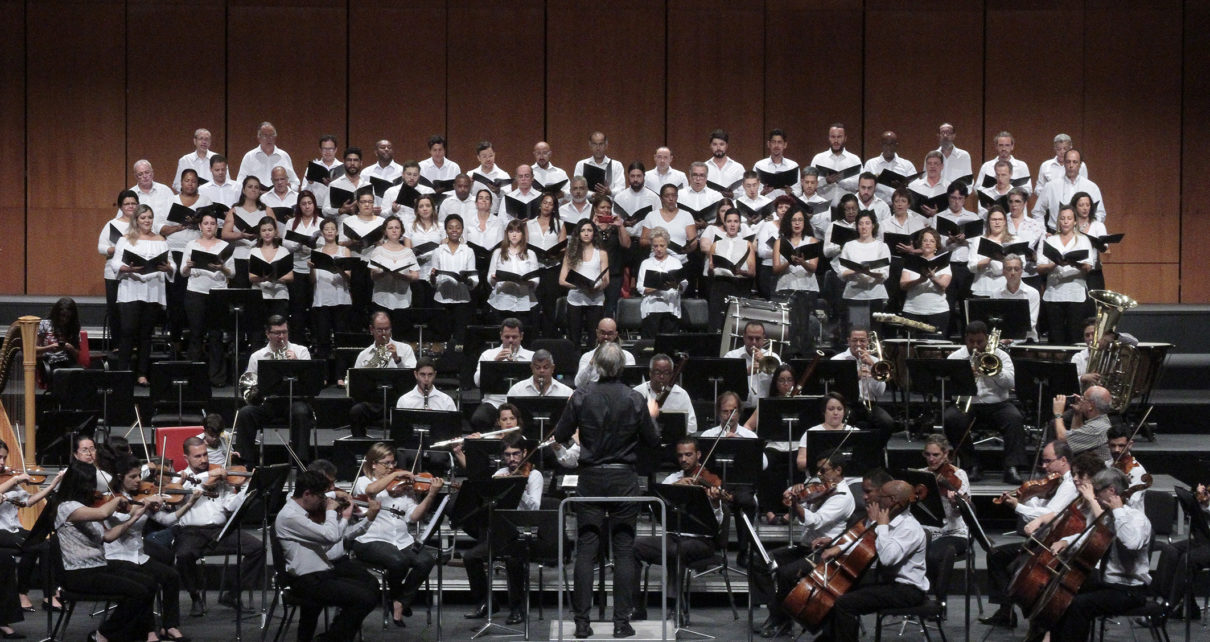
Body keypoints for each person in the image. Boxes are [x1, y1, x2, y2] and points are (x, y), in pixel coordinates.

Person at [553, 342, 660, 638]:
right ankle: (621, 623)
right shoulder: (636, 398)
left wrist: (580, 437)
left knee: (587, 549)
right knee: (624, 549)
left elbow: (560, 435)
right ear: (622, 367)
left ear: (596, 366)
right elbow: (652, 441)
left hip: (590, 477)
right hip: (624, 478)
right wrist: (650, 415)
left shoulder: (581, 395)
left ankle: (582, 623)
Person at [752, 452, 855, 638]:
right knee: (761, 561)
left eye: (824, 471)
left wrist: (796, 505)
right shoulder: (822, 490)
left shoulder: (842, 497)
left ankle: (784, 621)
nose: (820, 476)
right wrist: (795, 495)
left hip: (825, 553)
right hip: (805, 547)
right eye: (818, 471)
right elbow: (798, 510)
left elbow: (814, 521)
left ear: (838, 470)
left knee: (786, 573)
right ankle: (775, 613)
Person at [53, 460, 158, 642]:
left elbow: (108, 536)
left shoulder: (87, 506)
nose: (95, 489)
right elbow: (103, 513)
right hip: (78, 574)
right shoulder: (66, 507)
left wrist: (135, 517)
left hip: (99, 567)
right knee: (138, 592)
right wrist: (117, 499)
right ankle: (104, 634)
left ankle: (136, 635)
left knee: (149, 583)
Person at [1041, 468, 1151, 642]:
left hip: (1128, 589)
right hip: (1107, 584)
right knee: (1061, 594)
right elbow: (1090, 535)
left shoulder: (1136, 518)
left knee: (1079, 605)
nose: (1096, 497)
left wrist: (1118, 511)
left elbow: (1131, 543)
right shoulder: (1110, 516)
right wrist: (1066, 541)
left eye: (1097, 492)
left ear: (1111, 491)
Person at [813, 480, 929, 642]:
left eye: (882, 496)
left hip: (907, 590)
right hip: (888, 583)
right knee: (837, 592)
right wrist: (839, 548)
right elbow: (868, 543)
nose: (877, 499)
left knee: (845, 604)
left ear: (893, 500)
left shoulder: (909, 528)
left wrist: (881, 526)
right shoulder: (889, 520)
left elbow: (888, 558)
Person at [980, 440, 1079, 627]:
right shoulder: (1053, 482)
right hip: (1040, 540)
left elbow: (1048, 516)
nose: (1044, 466)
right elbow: (1035, 518)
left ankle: (1038, 618)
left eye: (1048, 461)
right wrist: (1028, 496)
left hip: (1053, 545)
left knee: (1014, 567)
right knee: (996, 555)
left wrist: (1019, 506)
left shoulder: (1069, 486)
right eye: (1043, 461)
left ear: (1064, 460)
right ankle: (1005, 612)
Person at [273, 470, 378, 641]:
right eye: (320, 496)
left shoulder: (301, 511)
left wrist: (344, 517)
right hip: (306, 580)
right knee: (364, 599)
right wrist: (339, 515)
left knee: (369, 589)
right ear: (307, 494)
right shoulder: (290, 516)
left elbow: (325, 544)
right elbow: (329, 536)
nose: (324, 500)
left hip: (321, 573)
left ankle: (333, 635)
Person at [629, 437, 725, 621]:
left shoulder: (710, 481)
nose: (684, 459)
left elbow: (718, 523)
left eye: (688, 455)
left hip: (702, 541)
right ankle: (636, 606)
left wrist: (715, 502)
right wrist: (675, 488)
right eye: (680, 455)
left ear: (698, 455)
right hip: (674, 537)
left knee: (677, 551)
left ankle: (675, 606)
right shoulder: (672, 479)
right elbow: (660, 511)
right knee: (635, 547)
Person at [106, 455, 200, 642]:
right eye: (132, 477)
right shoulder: (112, 500)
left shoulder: (143, 496)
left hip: (139, 554)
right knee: (147, 581)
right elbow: (121, 522)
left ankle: (169, 626)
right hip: (117, 556)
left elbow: (166, 520)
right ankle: (148, 631)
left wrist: (189, 504)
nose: (138, 480)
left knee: (171, 576)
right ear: (120, 477)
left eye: (138, 476)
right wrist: (142, 507)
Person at [350, 443, 443, 626]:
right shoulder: (363, 482)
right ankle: (396, 598)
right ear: (374, 464)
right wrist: (394, 475)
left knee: (426, 560)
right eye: (387, 464)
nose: (392, 467)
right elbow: (371, 491)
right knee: (397, 561)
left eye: (393, 463)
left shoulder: (404, 489)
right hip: (370, 539)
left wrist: (431, 495)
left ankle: (400, 601)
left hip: (401, 540)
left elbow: (414, 516)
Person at [173, 437, 265, 617]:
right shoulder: (180, 480)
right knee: (183, 555)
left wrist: (245, 485)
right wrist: (200, 483)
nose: (204, 460)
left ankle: (233, 594)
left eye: (205, 454)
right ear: (187, 458)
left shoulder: (220, 475)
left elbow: (231, 506)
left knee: (258, 548)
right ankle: (195, 597)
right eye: (198, 456)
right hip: (192, 532)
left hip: (221, 531)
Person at [461, 432, 544, 624]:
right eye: (507, 455)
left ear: (524, 453)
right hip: (502, 532)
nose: (512, 459)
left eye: (516, 454)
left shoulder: (533, 475)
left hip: (525, 532)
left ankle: (517, 609)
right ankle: (486, 602)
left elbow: (534, 509)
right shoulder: (499, 474)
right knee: (470, 557)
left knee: (513, 560)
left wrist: (518, 487)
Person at [943, 321, 1027, 483]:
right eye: (971, 341)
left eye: (980, 342)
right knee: (951, 418)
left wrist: (992, 371)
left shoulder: (1001, 356)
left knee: (1014, 418)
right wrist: (967, 376)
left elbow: (1010, 383)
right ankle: (971, 465)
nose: (975, 346)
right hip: (967, 402)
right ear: (965, 339)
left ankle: (1012, 467)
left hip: (998, 403)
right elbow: (950, 388)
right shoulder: (956, 357)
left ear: (987, 339)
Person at [233, 315, 316, 464]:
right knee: (246, 413)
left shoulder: (301, 351)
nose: (281, 337)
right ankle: (244, 464)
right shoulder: (257, 356)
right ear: (267, 334)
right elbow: (251, 384)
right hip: (269, 404)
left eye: (284, 332)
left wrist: (296, 364)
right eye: (277, 333)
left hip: (294, 402)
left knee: (301, 412)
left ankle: (300, 464)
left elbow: (310, 384)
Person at [110, 204, 175, 386]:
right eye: (143, 218)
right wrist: (127, 268)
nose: (147, 221)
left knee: (146, 334)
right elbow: (115, 263)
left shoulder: (161, 240)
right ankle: (123, 371)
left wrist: (168, 267)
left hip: (152, 290)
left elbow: (172, 264)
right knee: (128, 331)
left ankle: (142, 373)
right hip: (131, 289)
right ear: (136, 220)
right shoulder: (126, 239)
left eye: (149, 217)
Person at [0, 438, 59, 617]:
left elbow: (29, 502)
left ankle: (48, 595)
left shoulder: (9, 478)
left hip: (13, 528)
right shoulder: (11, 480)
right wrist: (16, 479)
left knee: (47, 544)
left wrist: (54, 484)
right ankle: (22, 593)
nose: (2, 463)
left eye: (4, 458)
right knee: (33, 546)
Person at [179, 210, 233, 386]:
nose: (209, 226)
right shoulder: (191, 244)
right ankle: (194, 379)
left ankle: (217, 378)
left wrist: (221, 267)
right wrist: (188, 266)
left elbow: (232, 273)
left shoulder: (224, 246)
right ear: (200, 226)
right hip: (195, 292)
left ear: (216, 226)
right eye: (206, 223)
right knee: (196, 335)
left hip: (217, 293)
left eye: (212, 223)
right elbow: (182, 272)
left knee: (216, 336)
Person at [348, 312, 419, 437]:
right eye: (380, 330)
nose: (384, 333)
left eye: (387, 329)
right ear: (371, 330)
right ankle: (361, 447)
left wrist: (397, 359)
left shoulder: (405, 349)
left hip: (399, 399)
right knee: (356, 411)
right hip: (374, 401)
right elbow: (356, 383)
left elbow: (413, 378)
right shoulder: (364, 355)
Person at [1037, 205, 1095, 344]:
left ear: (1075, 221)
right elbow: (1040, 267)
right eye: (1062, 218)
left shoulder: (1083, 240)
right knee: (1055, 336)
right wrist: (1056, 263)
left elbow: (1088, 267)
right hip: (1053, 295)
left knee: (1075, 335)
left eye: (1069, 218)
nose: (1065, 221)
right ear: (1058, 221)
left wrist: (1073, 263)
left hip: (1076, 294)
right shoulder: (1049, 240)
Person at [829, 329, 896, 445]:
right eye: (855, 340)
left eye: (862, 341)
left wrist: (872, 367)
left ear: (868, 342)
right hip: (845, 404)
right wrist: (855, 377)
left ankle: (873, 451)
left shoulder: (875, 361)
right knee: (841, 421)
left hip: (869, 404)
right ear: (848, 341)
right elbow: (834, 389)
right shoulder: (837, 360)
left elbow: (879, 393)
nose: (858, 344)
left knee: (887, 423)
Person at [771, 205, 821, 355]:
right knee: (789, 329)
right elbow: (775, 269)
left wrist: (802, 262)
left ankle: (804, 357)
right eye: (794, 220)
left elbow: (813, 268)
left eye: (800, 220)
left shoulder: (812, 241)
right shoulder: (780, 242)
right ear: (788, 222)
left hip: (807, 289)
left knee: (805, 328)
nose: (797, 223)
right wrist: (789, 261)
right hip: (786, 288)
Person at [919, 435, 971, 576]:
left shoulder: (958, 475)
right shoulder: (921, 475)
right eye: (927, 454)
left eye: (936, 455)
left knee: (933, 555)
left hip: (954, 532)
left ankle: (938, 595)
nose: (931, 459)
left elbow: (965, 512)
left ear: (946, 454)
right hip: (927, 531)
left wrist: (955, 504)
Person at [471, 318, 534, 428]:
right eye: (507, 337)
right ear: (501, 335)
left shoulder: (532, 356)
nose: (510, 340)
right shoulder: (488, 355)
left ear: (522, 336)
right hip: (494, 402)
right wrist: (494, 363)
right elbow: (477, 382)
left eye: (514, 337)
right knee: (479, 418)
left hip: (522, 402)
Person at [308, 218, 353, 363]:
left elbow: (348, 277)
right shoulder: (316, 252)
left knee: (341, 338)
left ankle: (341, 375)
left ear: (337, 232)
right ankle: (324, 375)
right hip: (322, 299)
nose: (329, 231)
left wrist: (339, 268)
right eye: (326, 229)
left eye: (332, 229)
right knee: (322, 338)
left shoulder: (344, 250)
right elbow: (313, 281)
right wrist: (311, 268)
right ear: (322, 232)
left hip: (341, 299)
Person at [560, 218, 609, 349]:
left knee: (594, 338)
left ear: (594, 233)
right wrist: (580, 285)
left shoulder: (601, 253)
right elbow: (562, 280)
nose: (586, 233)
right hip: (576, 299)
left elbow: (606, 280)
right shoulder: (570, 253)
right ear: (578, 233)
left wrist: (597, 287)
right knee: (574, 337)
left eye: (589, 230)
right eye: (583, 230)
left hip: (595, 299)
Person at [430, 213, 479, 345]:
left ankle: (459, 361)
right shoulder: (438, 251)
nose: (454, 230)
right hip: (441, 299)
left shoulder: (468, 251)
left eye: (457, 227)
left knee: (460, 338)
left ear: (462, 230)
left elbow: (473, 278)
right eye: (450, 227)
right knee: (442, 336)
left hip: (462, 300)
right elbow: (433, 281)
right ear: (446, 230)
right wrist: (433, 277)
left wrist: (466, 280)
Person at [342, 187, 388, 322]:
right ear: (357, 204)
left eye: (370, 201)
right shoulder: (349, 221)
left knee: (374, 299)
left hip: (375, 264)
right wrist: (351, 242)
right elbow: (339, 244)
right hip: (356, 263)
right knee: (357, 300)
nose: (367, 205)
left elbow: (388, 243)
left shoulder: (381, 222)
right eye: (363, 202)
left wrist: (379, 243)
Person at [838, 210, 891, 325]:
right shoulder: (849, 245)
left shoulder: (882, 246)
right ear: (857, 226)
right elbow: (841, 272)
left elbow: (885, 274)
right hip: (854, 295)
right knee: (856, 332)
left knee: (874, 332)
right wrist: (857, 270)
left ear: (873, 225)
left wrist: (869, 273)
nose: (864, 227)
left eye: (867, 223)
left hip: (875, 295)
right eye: (861, 223)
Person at [99, 190, 138, 346]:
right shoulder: (112, 224)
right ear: (121, 206)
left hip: (136, 273)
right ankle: (116, 346)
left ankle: (133, 345)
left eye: (133, 203)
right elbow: (101, 247)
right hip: (114, 273)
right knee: (115, 311)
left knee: (133, 312)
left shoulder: (143, 223)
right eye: (127, 204)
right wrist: (116, 249)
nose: (130, 206)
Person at [220, 175, 274, 288]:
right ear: (244, 190)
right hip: (240, 257)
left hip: (261, 256)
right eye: (250, 187)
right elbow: (224, 234)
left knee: (259, 293)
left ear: (260, 191)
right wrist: (241, 235)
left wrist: (262, 235)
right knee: (241, 292)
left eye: (256, 187)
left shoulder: (266, 210)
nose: (253, 189)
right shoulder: (235, 210)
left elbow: (276, 233)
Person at [282, 190, 322, 341]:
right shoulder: (291, 222)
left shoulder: (321, 222)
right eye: (304, 204)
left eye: (310, 203)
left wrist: (313, 243)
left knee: (315, 307)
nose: (307, 207)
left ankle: (316, 342)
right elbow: (285, 243)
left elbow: (327, 243)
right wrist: (298, 244)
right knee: (298, 308)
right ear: (299, 206)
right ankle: (298, 341)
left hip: (315, 269)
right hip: (297, 268)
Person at [1032, 149, 1106, 230]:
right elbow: (1037, 212)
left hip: (1084, 235)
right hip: (1056, 234)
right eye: (1068, 162)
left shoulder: (1091, 187)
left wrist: (1089, 229)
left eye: (1075, 162)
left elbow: (1100, 213)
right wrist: (1043, 232)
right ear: (1064, 163)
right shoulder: (1051, 186)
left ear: (1080, 164)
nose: (1071, 165)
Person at [707, 209, 756, 331]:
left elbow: (752, 272)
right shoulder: (716, 244)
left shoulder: (747, 244)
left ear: (739, 223)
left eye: (735, 221)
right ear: (724, 223)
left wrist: (740, 272)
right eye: (729, 221)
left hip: (739, 286)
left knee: (736, 324)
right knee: (717, 322)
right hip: (719, 286)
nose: (732, 224)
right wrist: (711, 269)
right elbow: (710, 271)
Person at [369, 215, 421, 328]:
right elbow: (373, 275)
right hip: (382, 299)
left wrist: (402, 276)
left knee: (400, 334)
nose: (394, 230)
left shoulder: (408, 252)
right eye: (390, 228)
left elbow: (415, 275)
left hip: (402, 300)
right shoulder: (378, 251)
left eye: (397, 228)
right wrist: (385, 272)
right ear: (385, 231)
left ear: (401, 230)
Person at [899, 228, 951, 338]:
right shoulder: (911, 262)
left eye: (932, 241)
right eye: (925, 240)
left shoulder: (944, 263)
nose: (928, 243)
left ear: (936, 245)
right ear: (920, 243)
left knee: (936, 349)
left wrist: (933, 277)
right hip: (913, 311)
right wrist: (920, 280)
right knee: (912, 349)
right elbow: (903, 285)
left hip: (938, 311)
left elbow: (944, 285)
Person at [486, 220, 540, 326]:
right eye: (511, 231)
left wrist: (527, 282)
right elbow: (490, 276)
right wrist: (494, 278)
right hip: (502, 300)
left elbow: (535, 278)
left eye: (518, 231)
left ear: (523, 235)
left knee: (522, 335)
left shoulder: (530, 254)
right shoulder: (498, 253)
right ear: (507, 234)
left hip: (523, 300)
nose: (514, 234)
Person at [527, 193, 567, 338]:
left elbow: (563, 247)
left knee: (550, 306)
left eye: (550, 203)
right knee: (534, 305)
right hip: (534, 269)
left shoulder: (559, 224)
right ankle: (533, 338)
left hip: (552, 268)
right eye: (545, 202)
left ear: (554, 207)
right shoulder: (529, 224)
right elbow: (525, 246)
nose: (547, 206)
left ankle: (548, 338)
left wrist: (554, 254)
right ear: (539, 204)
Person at [637, 227, 687, 337]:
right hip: (652, 309)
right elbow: (640, 288)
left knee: (669, 345)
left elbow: (683, 286)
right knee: (650, 345)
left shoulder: (675, 262)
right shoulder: (646, 263)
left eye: (662, 245)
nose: (659, 249)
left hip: (670, 308)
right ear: (652, 246)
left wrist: (675, 285)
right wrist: (659, 286)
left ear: (667, 245)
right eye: (655, 246)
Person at [633, 353, 697, 434]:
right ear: (650, 373)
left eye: (666, 373)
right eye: (657, 372)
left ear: (672, 374)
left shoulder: (681, 394)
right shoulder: (637, 392)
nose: (662, 377)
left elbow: (692, 426)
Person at [793, 392, 857, 471]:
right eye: (831, 409)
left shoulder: (855, 432)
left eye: (839, 409)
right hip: (819, 479)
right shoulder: (811, 432)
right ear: (824, 411)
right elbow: (800, 463)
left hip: (851, 480)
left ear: (844, 411)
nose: (836, 413)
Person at [248, 216, 293, 328]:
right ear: (260, 233)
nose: (267, 233)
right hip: (259, 295)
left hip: (279, 295)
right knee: (257, 330)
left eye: (270, 230)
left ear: (275, 231)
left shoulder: (283, 251)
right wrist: (264, 278)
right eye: (263, 230)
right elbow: (251, 277)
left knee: (278, 329)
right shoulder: (254, 251)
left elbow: (290, 277)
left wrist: (274, 277)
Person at [724, 322, 782, 410]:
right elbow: (725, 385)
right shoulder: (731, 356)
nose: (754, 342)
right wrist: (746, 372)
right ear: (744, 337)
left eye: (758, 338)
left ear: (764, 338)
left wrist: (766, 363)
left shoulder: (773, 358)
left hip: (767, 409)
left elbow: (782, 384)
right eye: (750, 338)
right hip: (739, 410)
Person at [35, 296, 89, 386]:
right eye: (62, 316)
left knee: (80, 374)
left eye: (68, 317)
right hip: (48, 362)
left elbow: (77, 355)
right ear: (57, 314)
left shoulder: (74, 327)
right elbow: (34, 349)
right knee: (59, 374)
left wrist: (70, 348)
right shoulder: (45, 324)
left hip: (67, 360)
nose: (64, 319)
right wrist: (50, 347)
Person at [1053, 385, 1114, 460]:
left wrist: (1058, 414)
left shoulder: (1096, 428)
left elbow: (1063, 439)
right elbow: (1075, 438)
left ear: (1091, 406)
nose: (1080, 399)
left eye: (1083, 398)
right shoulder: (1101, 421)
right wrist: (1077, 414)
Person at [406, 194, 446, 308]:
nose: (425, 209)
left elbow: (444, 250)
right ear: (417, 210)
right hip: (416, 273)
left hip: (434, 273)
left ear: (433, 208)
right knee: (418, 306)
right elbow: (407, 251)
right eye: (421, 206)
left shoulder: (441, 227)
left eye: (428, 206)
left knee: (434, 308)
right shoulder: (410, 227)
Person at [990, 254, 1041, 341]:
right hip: (1002, 339)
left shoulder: (1033, 293)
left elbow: (1031, 323)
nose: (1013, 273)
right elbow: (993, 321)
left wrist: (1011, 339)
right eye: (1009, 269)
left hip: (1026, 339)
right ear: (1003, 271)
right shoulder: (995, 293)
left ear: (1021, 271)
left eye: (1016, 269)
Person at [573, 318, 636, 388]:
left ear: (615, 334)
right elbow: (578, 384)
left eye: (610, 333)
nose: (606, 337)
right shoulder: (587, 356)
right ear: (597, 332)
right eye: (602, 333)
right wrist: (590, 365)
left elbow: (630, 382)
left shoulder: (627, 356)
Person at [235, 121, 299, 190]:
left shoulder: (284, 156)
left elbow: (295, 182)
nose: (269, 138)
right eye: (265, 136)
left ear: (275, 137)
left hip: (279, 198)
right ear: (258, 138)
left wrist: (289, 188)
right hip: (256, 198)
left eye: (271, 135)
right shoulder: (249, 157)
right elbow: (240, 182)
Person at [808, 124, 860, 205]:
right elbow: (810, 183)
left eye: (839, 137)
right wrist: (826, 181)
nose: (836, 140)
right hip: (823, 208)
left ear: (845, 138)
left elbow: (859, 184)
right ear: (829, 138)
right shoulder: (818, 159)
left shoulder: (854, 159)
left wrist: (841, 181)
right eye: (833, 137)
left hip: (847, 210)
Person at [967, 206, 1013, 296]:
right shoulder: (979, 240)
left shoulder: (1014, 240)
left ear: (1005, 222)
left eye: (1000, 219)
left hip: (1005, 288)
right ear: (988, 222)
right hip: (982, 288)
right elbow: (971, 266)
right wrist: (989, 259)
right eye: (993, 219)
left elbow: (1021, 265)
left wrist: (1004, 260)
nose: (997, 222)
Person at [864, 131, 919, 203]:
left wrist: (903, 187)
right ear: (881, 145)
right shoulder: (870, 164)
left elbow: (916, 187)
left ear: (896, 145)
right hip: (878, 206)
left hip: (900, 206)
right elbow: (863, 186)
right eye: (885, 144)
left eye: (891, 144)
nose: (888, 148)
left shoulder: (907, 165)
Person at [1072, 191, 1110, 291]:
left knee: (1095, 304)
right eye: (1081, 205)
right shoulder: (1070, 226)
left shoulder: (1098, 225)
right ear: (1075, 207)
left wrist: (1097, 243)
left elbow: (1104, 248)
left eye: (1088, 205)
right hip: (1073, 271)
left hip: (1093, 273)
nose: (1085, 208)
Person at [1106, 422, 1149, 511]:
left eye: (1121, 446)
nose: (1116, 450)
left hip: (1130, 518)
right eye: (1113, 445)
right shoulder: (1106, 465)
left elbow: (1129, 502)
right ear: (1108, 444)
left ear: (1130, 444)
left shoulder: (1137, 471)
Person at [974, 131, 1032, 196]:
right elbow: (977, 189)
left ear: (1012, 146)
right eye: (1001, 145)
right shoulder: (987, 166)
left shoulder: (1022, 166)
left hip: (1014, 204)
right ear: (996, 146)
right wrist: (993, 190)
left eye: (1007, 145)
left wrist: (1010, 190)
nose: (1004, 148)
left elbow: (1028, 190)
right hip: (993, 204)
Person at [323, 147, 372, 218]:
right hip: (342, 226)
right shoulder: (335, 185)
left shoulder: (367, 185)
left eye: (355, 160)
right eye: (349, 160)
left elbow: (374, 207)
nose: (352, 163)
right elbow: (325, 211)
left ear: (361, 163)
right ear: (344, 162)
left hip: (364, 226)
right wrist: (341, 210)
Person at [573, 131, 626, 196]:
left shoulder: (616, 165)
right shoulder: (581, 165)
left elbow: (621, 189)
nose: (598, 148)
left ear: (606, 145)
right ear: (590, 145)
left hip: (610, 204)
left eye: (601, 144)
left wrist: (610, 192)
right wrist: (592, 194)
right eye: (595, 144)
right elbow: (577, 189)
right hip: (589, 205)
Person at [506, 349, 573, 398]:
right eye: (537, 367)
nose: (541, 371)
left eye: (546, 367)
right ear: (532, 368)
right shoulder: (516, 391)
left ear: (552, 368)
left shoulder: (567, 393)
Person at [302, 134, 343, 210]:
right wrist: (309, 183)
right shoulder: (312, 168)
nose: (327, 152)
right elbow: (303, 193)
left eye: (330, 149)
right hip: (316, 209)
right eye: (324, 149)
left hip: (337, 208)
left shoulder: (342, 168)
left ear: (336, 150)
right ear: (320, 150)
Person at [704, 129, 745, 199]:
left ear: (726, 146)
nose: (718, 148)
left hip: (731, 208)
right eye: (715, 144)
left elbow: (744, 193)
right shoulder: (704, 167)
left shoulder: (738, 167)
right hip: (710, 207)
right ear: (710, 146)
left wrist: (732, 195)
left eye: (721, 144)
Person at [935, 122, 973, 188]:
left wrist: (961, 196)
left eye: (948, 133)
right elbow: (926, 178)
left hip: (956, 197)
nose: (945, 135)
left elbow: (968, 181)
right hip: (936, 196)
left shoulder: (964, 156)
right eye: (942, 133)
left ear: (954, 135)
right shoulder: (932, 156)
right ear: (938, 136)